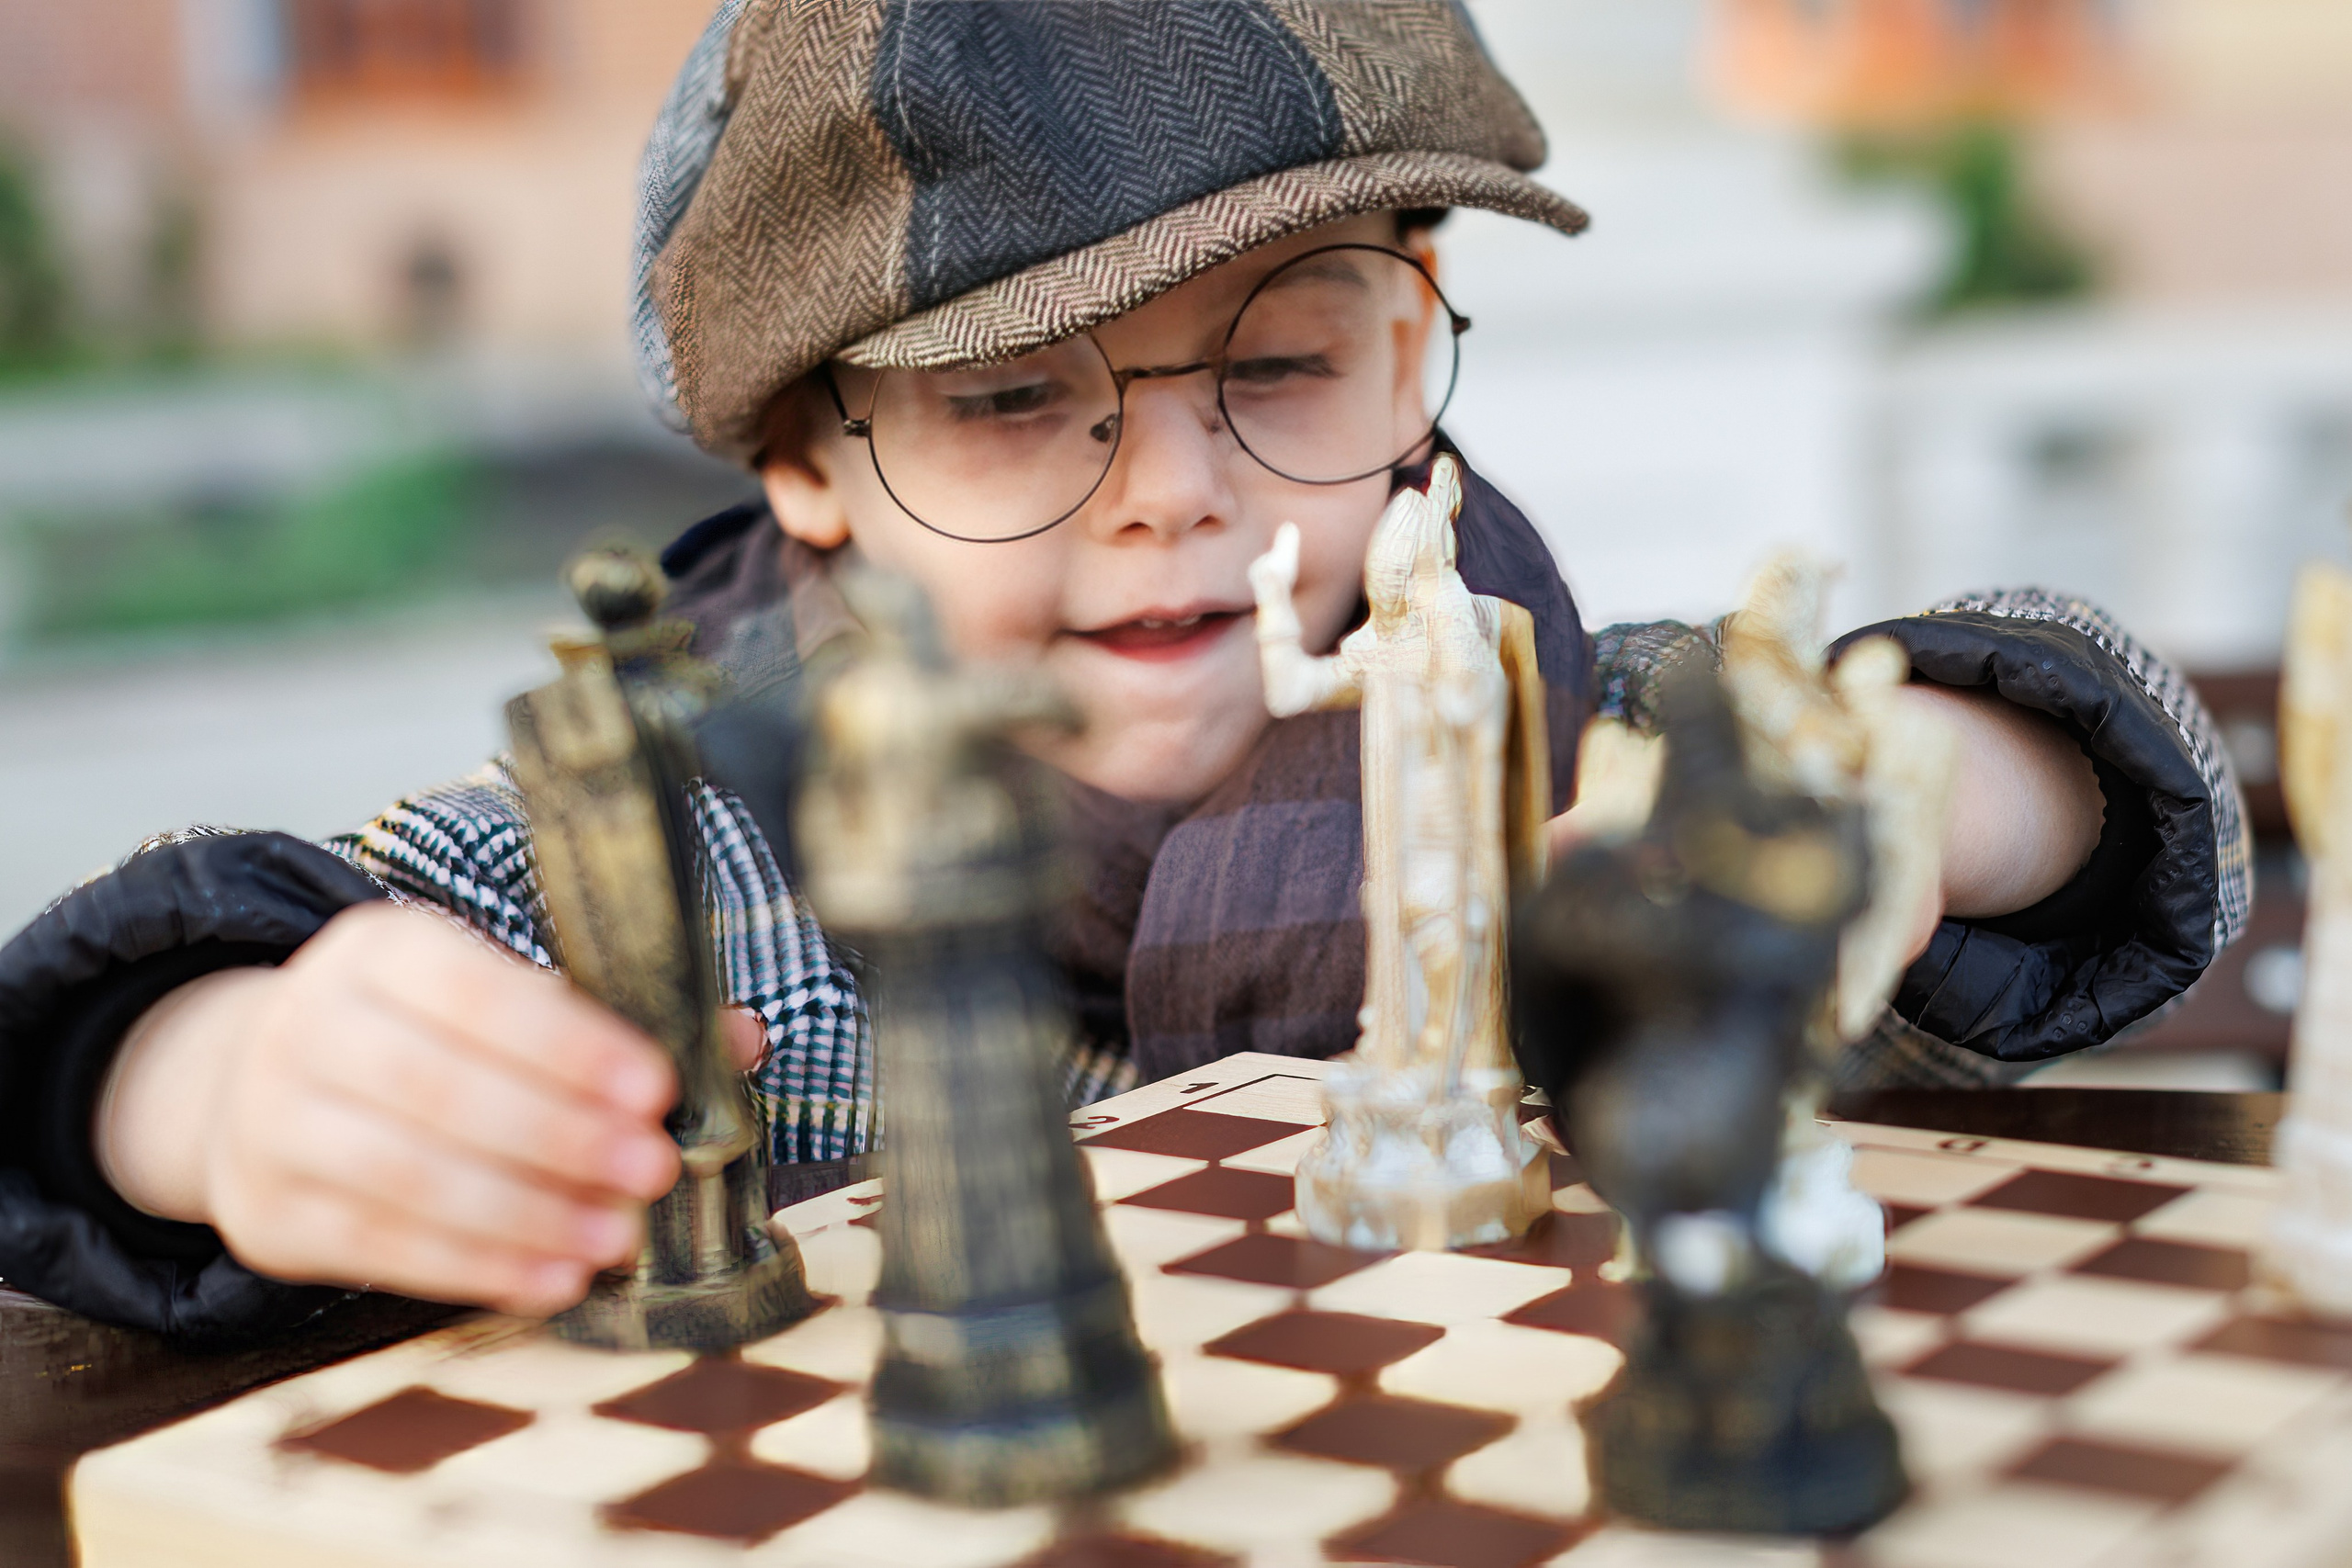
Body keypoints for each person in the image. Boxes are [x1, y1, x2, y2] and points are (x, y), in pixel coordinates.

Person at [0, 1, 2243, 1342]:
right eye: (1007, 399)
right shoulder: (645, 873)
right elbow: (133, 997)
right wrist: (213, 1085)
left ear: (1415, 340)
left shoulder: (1559, 753)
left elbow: (2100, 795)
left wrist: (1920, 783)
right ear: (803, 462)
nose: (1173, 491)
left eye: (1285, 359)